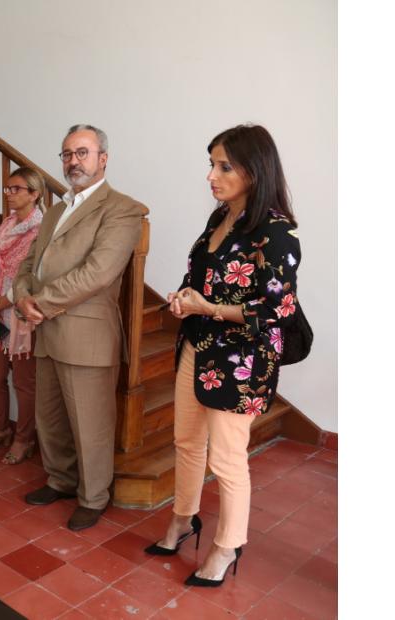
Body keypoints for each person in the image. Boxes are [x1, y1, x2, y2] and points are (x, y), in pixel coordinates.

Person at [144, 124, 300, 587]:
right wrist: (185, 297)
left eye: (224, 166)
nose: (211, 175)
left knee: (228, 459)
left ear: (255, 170)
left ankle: (228, 545)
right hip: (197, 345)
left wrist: (208, 308)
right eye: (211, 164)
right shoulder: (220, 218)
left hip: (241, 361)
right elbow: (204, 276)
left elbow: (278, 309)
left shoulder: (276, 232)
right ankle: (182, 518)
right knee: (187, 442)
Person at [13, 124, 146, 530]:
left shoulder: (122, 208)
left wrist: (39, 303)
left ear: (103, 158)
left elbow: (98, 272)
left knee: (91, 426)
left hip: (86, 336)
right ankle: (60, 480)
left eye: (83, 152)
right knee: (50, 420)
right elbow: (28, 263)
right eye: (67, 154)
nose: (74, 161)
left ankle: (93, 497)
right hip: (46, 332)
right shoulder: (55, 211)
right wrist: (21, 296)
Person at [0, 166, 45, 465]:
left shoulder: (40, 230)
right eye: (8, 188)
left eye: (16, 189)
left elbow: (28, 279)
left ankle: (24, 439)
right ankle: (0, 429)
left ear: (35, 194)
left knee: (24, 383)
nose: (9, 194)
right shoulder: (7, 225)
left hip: (21, 315)